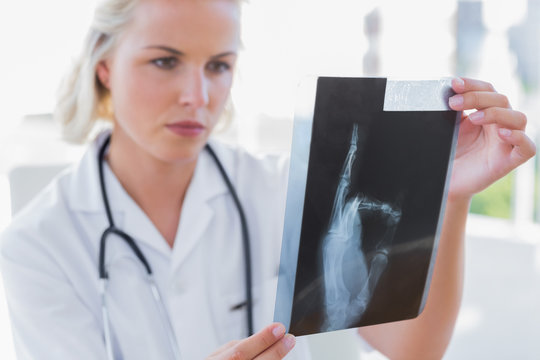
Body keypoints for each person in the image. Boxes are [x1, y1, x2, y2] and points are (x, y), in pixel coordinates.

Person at [0, 0, 535, 359]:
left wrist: (448, 195)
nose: (199, 96)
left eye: (218, 65)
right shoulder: (36, 245)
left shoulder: (287, 188)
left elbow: (411, 347)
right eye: (165, 61)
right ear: (105, 68)